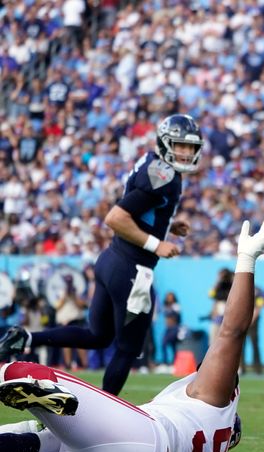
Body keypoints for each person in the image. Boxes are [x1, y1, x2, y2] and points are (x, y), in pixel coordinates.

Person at [0, 216, 264, 452]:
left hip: (144, 442)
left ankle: (38, 406)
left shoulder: (214, 400)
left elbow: (232, 332)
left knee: (22, 373)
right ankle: (37, 431)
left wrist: (246, 260)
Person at [0, 114, 203, 396]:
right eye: (180, 146)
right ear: (165, 142)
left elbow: (140, 209)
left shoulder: (152, 162)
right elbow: (116, 217)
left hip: (112, 260)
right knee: (127, 349)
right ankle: (105, 413)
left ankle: (27, 337)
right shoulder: (164, 176)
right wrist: (157, 245)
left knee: (97, 336)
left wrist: (167, 224)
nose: (186, 153)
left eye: (190, 148)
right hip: (132, 270)